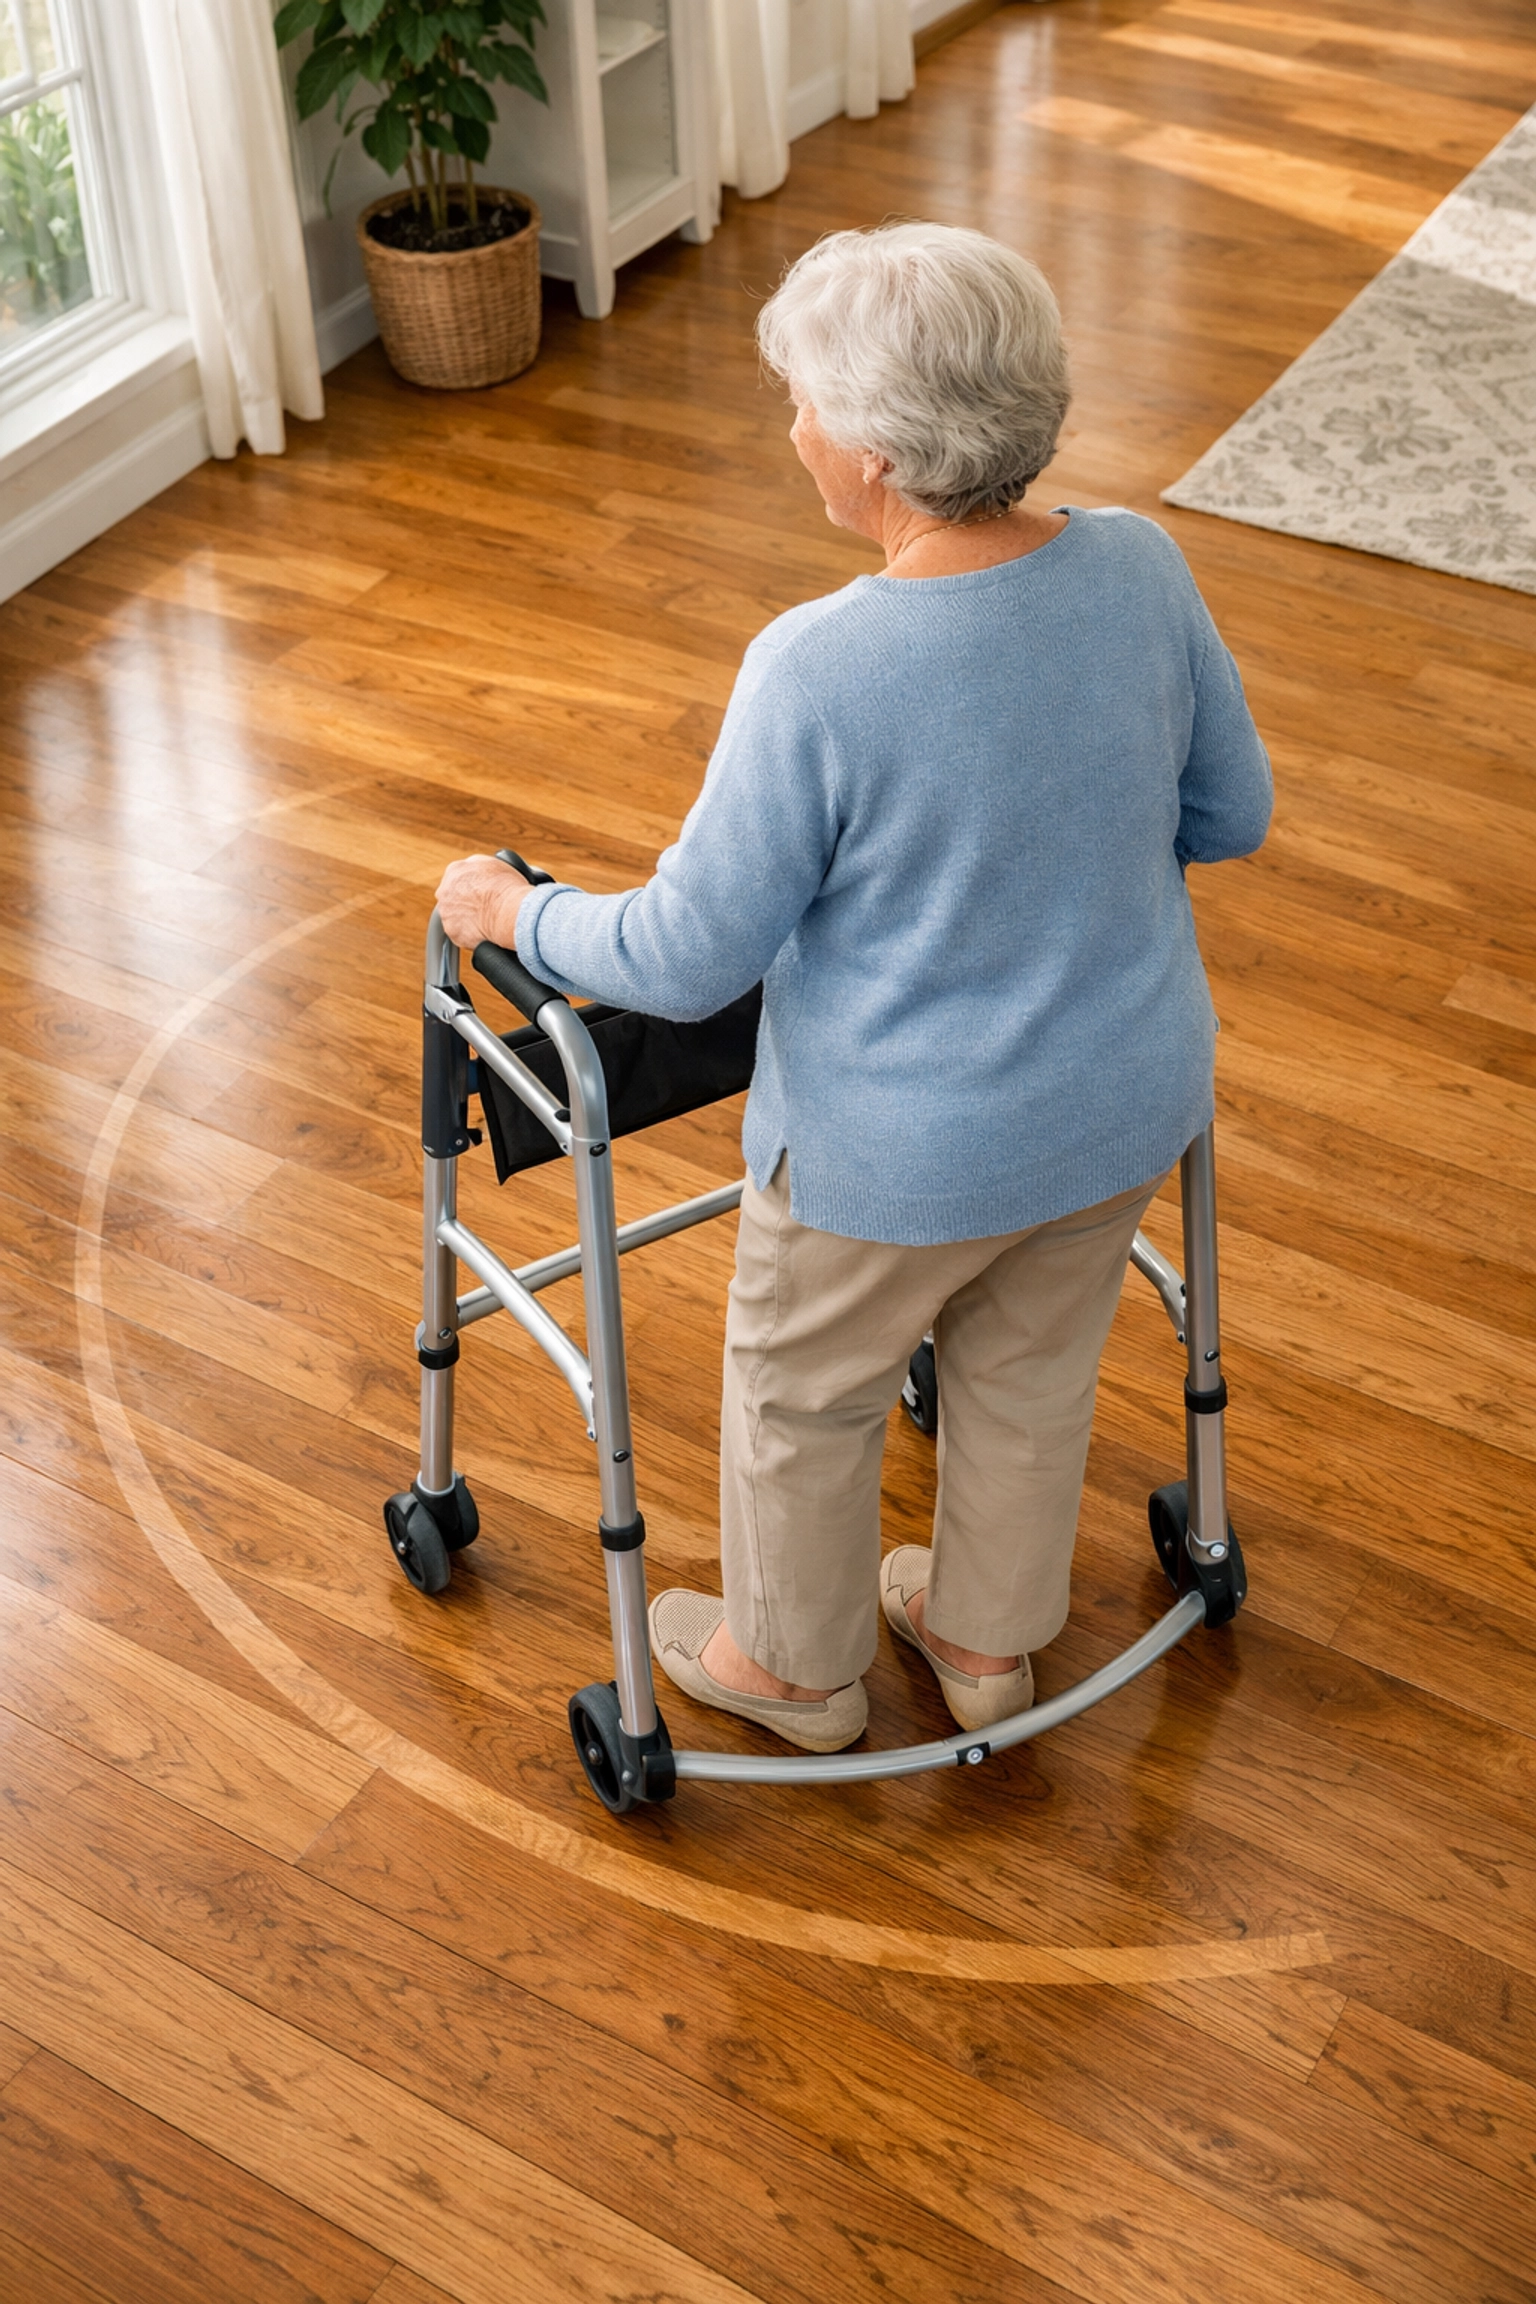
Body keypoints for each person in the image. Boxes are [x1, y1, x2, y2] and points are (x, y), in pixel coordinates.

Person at [435, 222, 1272, 1755]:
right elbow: (1231, 818)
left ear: (877, 453)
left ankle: (794, 1673)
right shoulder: (1144, 566)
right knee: (1027, 1379)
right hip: (1119, 1102)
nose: (794, 432)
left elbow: (689, 958)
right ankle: (982, 1639)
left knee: (804, 1400)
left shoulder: (819, 664)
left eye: (803, 404)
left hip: (897, 1158)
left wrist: (523, 911)